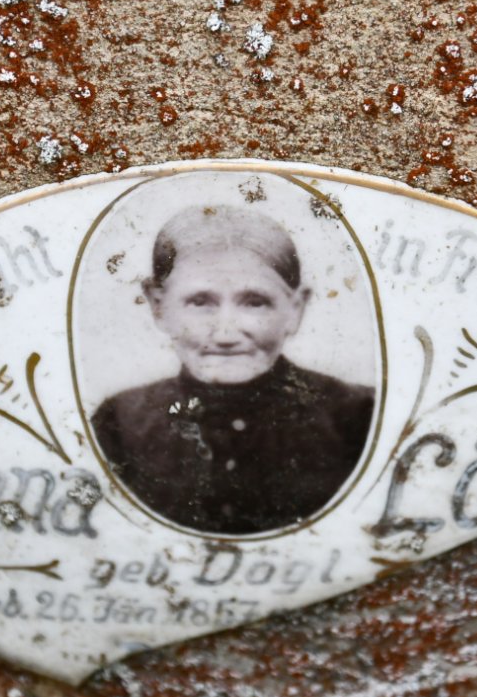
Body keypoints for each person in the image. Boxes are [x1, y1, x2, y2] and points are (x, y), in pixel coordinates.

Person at [90, 203, 374, 535]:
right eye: (200, 302)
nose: (225, 335)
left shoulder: (357, 418)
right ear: (158, 306)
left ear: (295, 309)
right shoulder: (120, 424)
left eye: (255, 302)